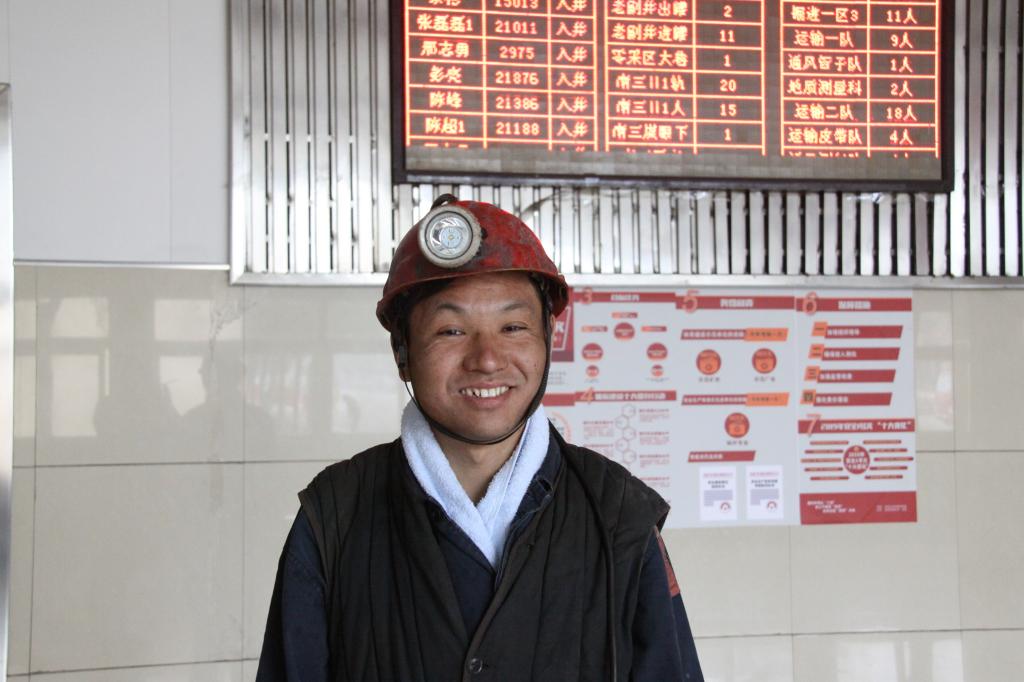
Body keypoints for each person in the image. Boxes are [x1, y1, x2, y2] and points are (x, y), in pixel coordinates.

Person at [256, 195, 704, 682]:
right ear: (402, 352)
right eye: (451, 331)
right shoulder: (334, 516)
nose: (487, 359)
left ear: (549, 338)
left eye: (513, 327)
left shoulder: (618, 513)